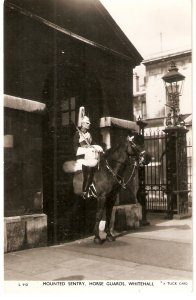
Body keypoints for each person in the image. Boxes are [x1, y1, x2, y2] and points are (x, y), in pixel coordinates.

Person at [73, 112, 103, 199]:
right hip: (81, 157)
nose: (89, 124)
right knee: (88, 171)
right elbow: (75, 148)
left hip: (90, 157)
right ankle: (85, 191)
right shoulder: (77, 134)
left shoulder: (89, 135)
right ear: (82, 124)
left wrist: (97, 147)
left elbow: (92, 144)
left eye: (89, 123)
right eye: (87, 123)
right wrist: (84, 149)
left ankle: (94, 188)